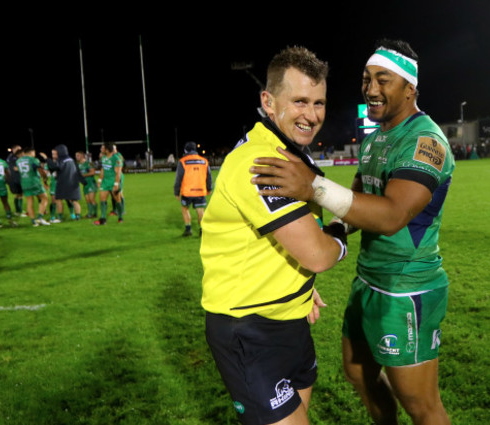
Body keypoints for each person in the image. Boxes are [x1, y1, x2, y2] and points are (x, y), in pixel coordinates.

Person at [250, 39, 454, 425]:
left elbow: (393, 213)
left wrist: (313, 187)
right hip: (369, 279)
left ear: (409, 88)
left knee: (421, 404)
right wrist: (334, 232)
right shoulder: (376, 137)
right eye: (366, 79)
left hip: (407, 287)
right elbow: (360, 194)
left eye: (383, 80)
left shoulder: (425, 140)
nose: (371, 89)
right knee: (357, 373)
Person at [200, 46, 348, 425]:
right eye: (299, 101)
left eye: (319, 103)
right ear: (268, 101)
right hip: (250, 331)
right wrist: (342, 236)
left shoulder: (288, 152)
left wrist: (298, 283)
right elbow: (316, 254)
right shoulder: (261, 163)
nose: (312, 115)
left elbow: (283, 239)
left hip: (292, 320)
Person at [173, 141, 212, 236]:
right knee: (200, 210)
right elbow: (209, 176)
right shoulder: (204, 161)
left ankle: (188, 229)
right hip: (200, 190)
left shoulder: (183, 161)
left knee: (185, 209)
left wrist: (176, 192)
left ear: (185, 150)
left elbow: (178, 178)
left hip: (187, 191)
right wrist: (209, 188)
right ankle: (202, 230)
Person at [46, 144, 83, 221]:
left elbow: (57, 168)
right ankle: (77, 216)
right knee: (74, 200)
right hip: (72, 182)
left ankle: (60, 217)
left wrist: (47, 159)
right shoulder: (71, 160)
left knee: (59, 199)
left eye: (55, 153)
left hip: (63, 183)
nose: (54, 155)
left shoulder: (61, 161)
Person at [16, 147, 51, 226]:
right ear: (31, 152)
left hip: (24, 183)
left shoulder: (18, 161)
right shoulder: (33, 160)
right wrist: (45, 178)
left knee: (29, 202)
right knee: (44, 198)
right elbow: (40, 171)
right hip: (34, 182)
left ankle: (33, 222)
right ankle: (40, 218)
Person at [94, 141, 124, 225]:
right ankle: (103, 219)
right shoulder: (103, 158)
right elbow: (103, 169)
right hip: (105, 182)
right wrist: (100, 180)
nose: (101, 149)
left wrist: (116, 184)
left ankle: (120, 217)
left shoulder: (116, 159)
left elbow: (118, 173)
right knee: (102, 199)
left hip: (113, 181)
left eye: (102, 148)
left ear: (107, 150)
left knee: (117, 200)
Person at [76, 151, 98, 218]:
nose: (76, 157)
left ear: (82, 156)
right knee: (87, 200)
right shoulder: (78, 165)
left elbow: (93, 172)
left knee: (92, 200)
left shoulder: (88, 163)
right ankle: (89, 214)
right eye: (76, 155)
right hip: (85, 184)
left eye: (78, 155)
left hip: (91, 183)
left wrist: (83, 175)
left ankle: (95, 214)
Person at [6, 144, 25, 217]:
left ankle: (19, 210)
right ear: (13, 150)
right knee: (19, 194)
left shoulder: (11, 157)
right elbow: (15, 168)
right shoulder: (13, 158)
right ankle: (18, 211)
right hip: (15, 178)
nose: (19, 151)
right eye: (18, 149)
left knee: (19, 194)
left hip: (15, 178)